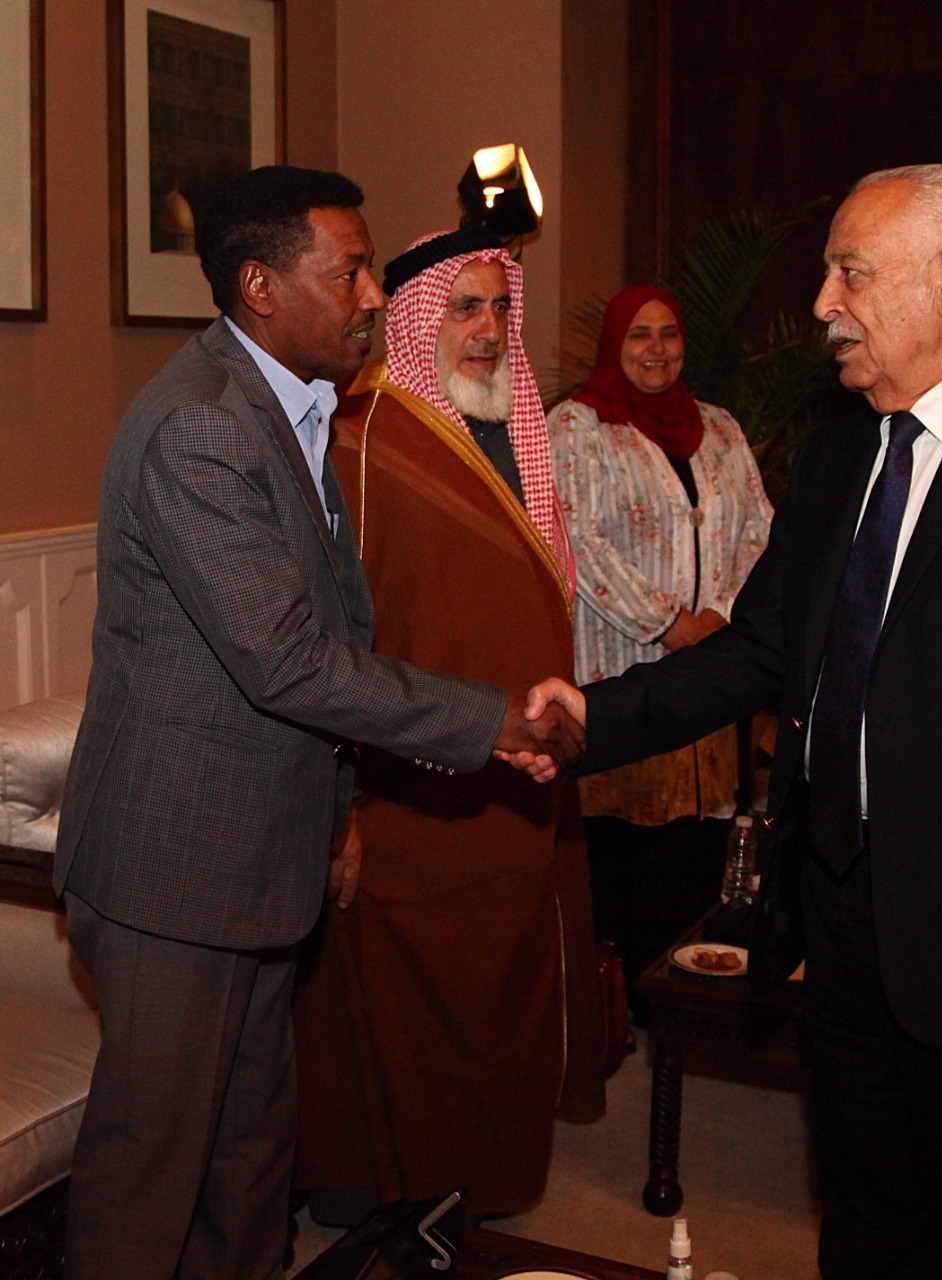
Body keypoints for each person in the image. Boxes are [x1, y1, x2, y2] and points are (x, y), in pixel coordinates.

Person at [515, 165, 942, 1279]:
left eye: (849, 272)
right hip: (841, 927)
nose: (823, 302)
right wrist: (591, 712)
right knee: (871, 1227)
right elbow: (758, 651)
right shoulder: (837, 455)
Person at [53, 168, 581, 1280]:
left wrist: (336, 813)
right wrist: (487, 720)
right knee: (152, 1171)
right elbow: (288, 659)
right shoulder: (200, 426)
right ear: (260, 285)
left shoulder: (296, 404)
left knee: (250, 1156)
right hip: (175, 866)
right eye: (348, 273)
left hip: (261, 851)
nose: (371, 296)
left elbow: (338, 618)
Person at [292, 228, 605, 1222]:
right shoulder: (360, 437)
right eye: (464, 307)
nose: (488, 329)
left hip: (521, 778)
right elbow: (329, 641)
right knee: (408, 999)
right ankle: (392, 1194)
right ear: (419, 316)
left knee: (504, 981)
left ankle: (485, 1181)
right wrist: (340, 798)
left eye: (499, 307)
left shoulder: (515, 428)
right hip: (410, 786)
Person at [545, 285, 773, 1005]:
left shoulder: (720, 427)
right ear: (614, 343)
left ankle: (683, 1004)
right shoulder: (577, 428)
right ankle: (621, 1010)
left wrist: (722, 618)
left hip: (713, 673)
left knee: (696, 855)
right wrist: (670, 623)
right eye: (638, 334)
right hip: (622, 670)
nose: (655, 348)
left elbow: (760, 530)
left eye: (668, 333)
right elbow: (576, 538)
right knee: (624, 858)